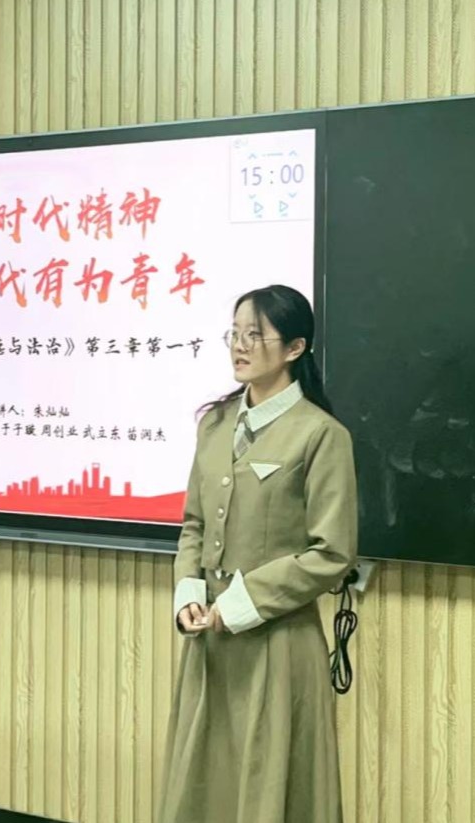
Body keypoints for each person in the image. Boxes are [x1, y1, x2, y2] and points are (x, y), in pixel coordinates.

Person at [157, 284, 358, 823]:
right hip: (210, 640)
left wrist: (240, 605)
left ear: (294, 348)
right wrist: (190, 595)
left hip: (278, 641)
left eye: (255, 335)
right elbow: (194, 524)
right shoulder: (215, 423)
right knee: (205, 780)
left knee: (270, 782)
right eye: (235, 333)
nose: (240, 346)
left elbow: (331, 552)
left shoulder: (321, 434)